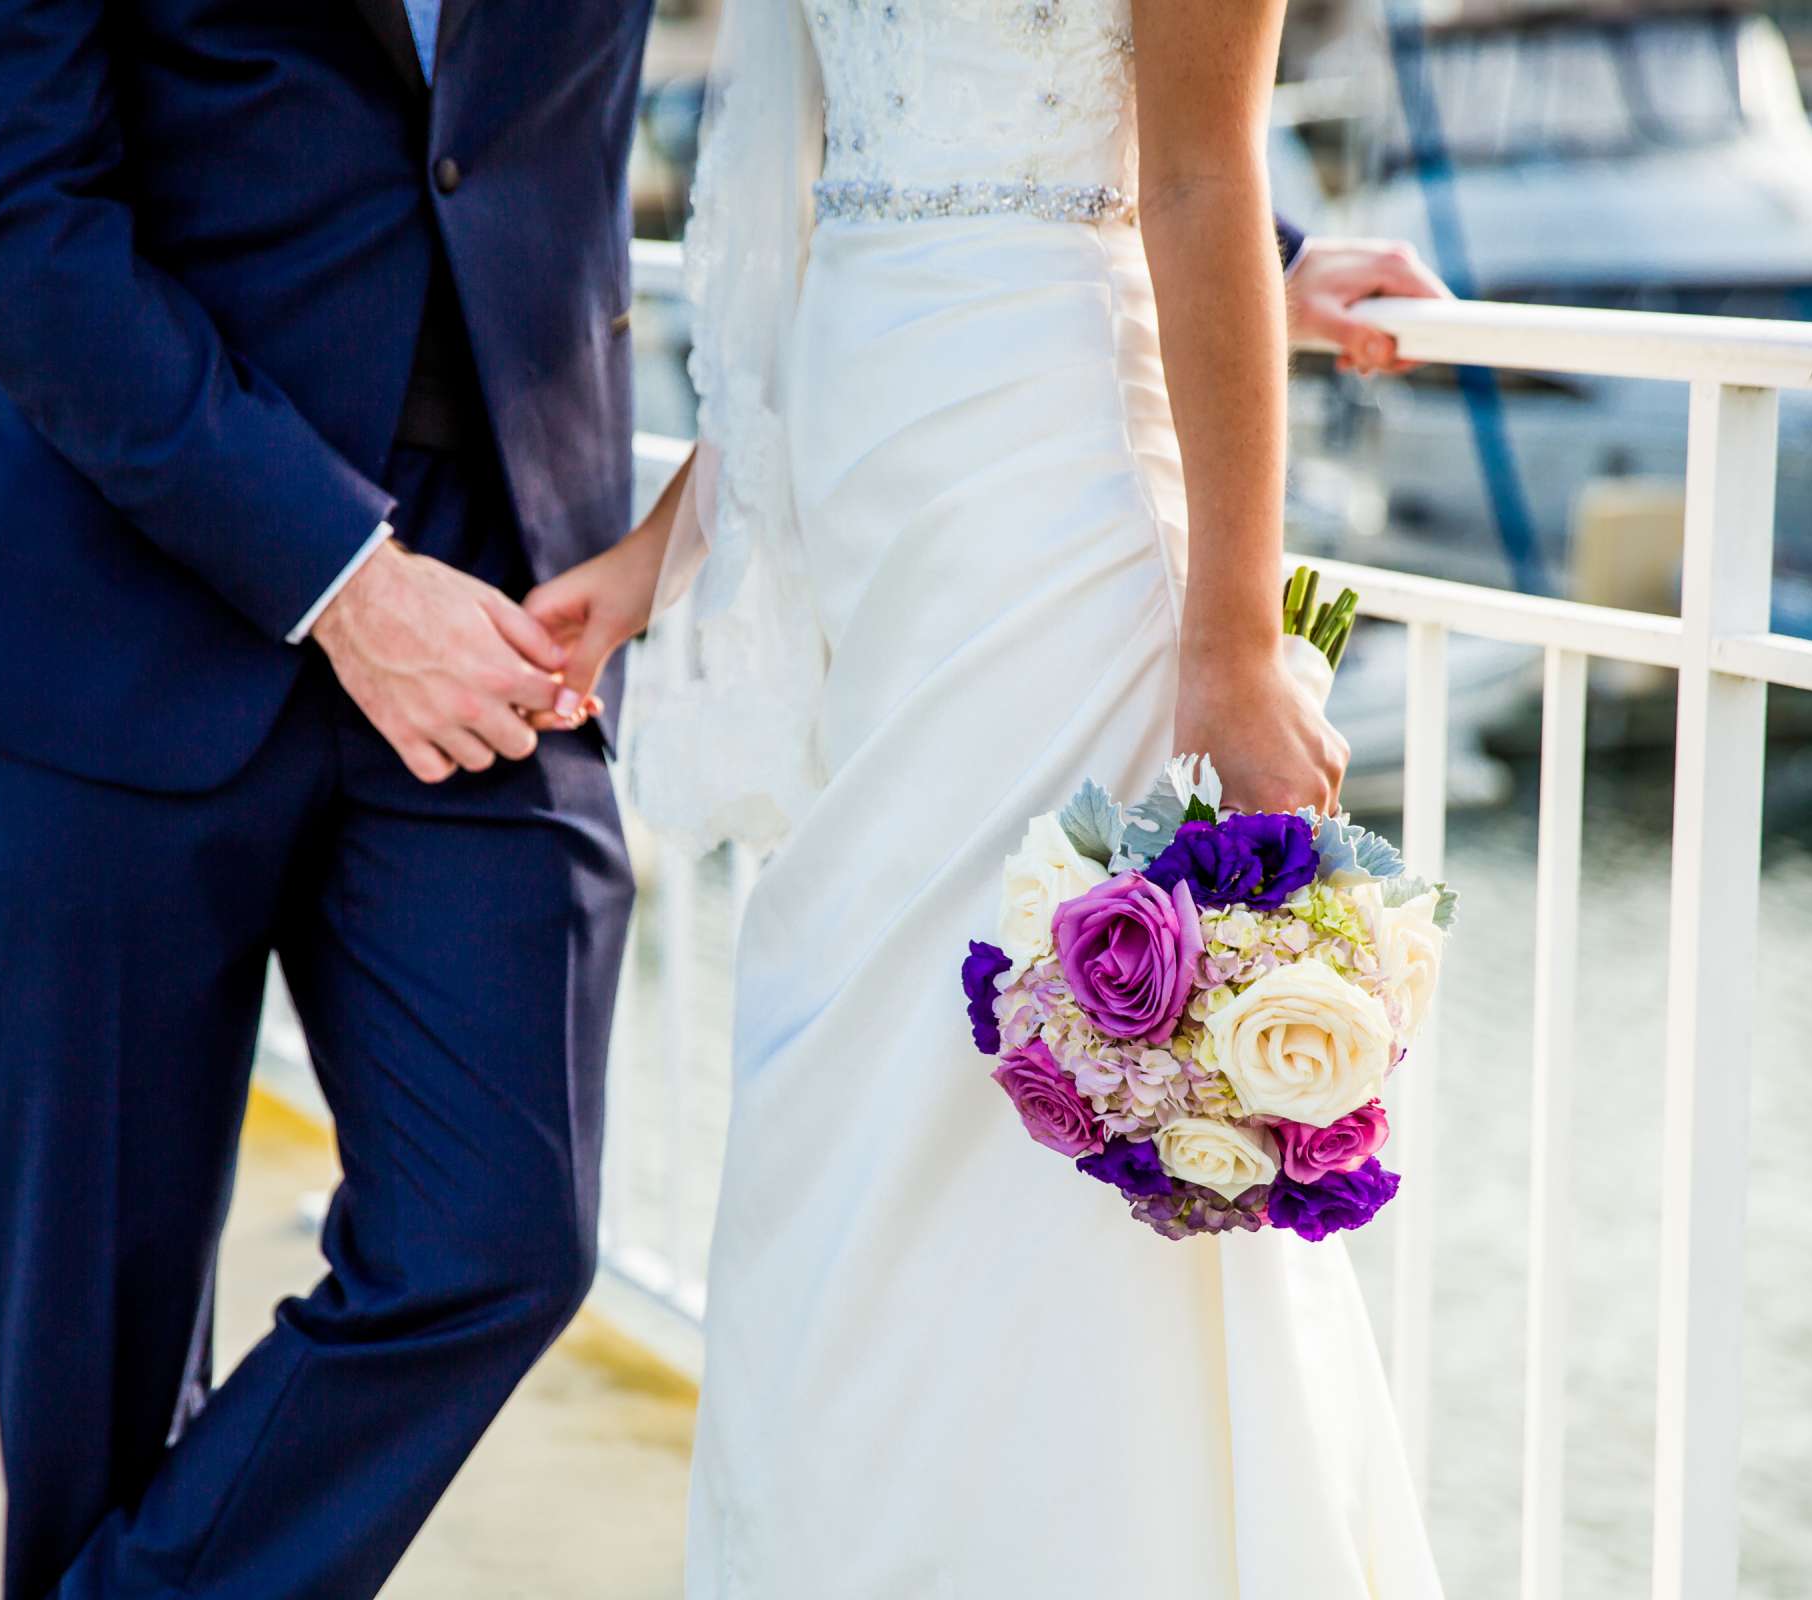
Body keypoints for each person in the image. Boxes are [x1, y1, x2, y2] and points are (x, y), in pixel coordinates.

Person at [521, 0, 1452, 1591]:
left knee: (1048, 1122)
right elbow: (817, 227)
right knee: (848, 1111)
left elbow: (1202, 180)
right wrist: (649, 561)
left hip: (1053, 503)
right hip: (868, 512)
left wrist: (1231, 640)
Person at [0, 0, 650, 1594]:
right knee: (98, 1349)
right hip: (108, 600)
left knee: (502, 1237)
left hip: (501, 597)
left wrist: (1214, 244)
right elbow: (10, 216)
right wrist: (343, 579)